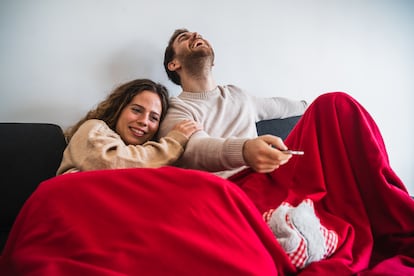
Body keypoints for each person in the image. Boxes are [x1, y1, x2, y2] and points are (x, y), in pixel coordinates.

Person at [158, 29, 414, 273]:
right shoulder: (176, 109)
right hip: (235, 191)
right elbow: (193, 148)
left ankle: (393, 214)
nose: (195, 35)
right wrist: (246, 150)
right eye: (184, 37)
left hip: (271, 174)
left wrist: (311, 108)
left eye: (198, 34)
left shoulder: (239, 95)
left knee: (334, 104)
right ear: (173, 64)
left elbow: (284, 107)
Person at [57, 78, 201, 175]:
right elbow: (109, 163)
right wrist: (173, 142)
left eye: (154, 118)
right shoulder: (93, 127)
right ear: (119, 108)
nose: (144, 121)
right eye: (137, 110)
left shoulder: (150, 160)